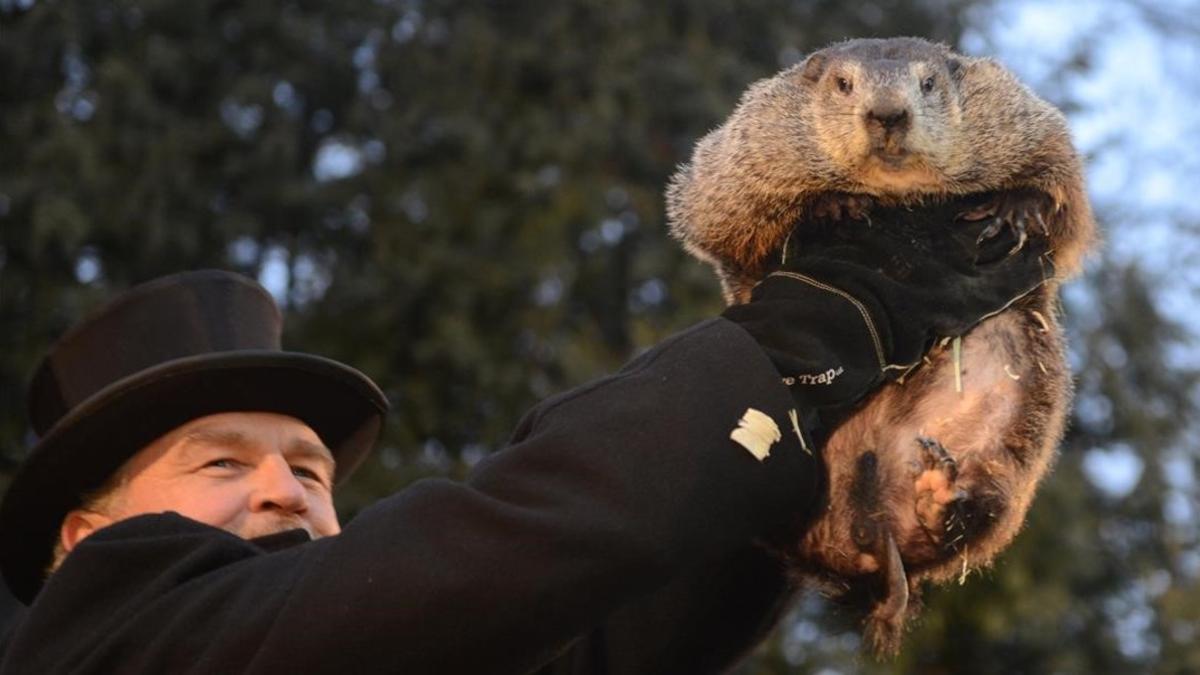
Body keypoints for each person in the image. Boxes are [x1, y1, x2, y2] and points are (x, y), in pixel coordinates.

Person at [0, 204, 1051, 674]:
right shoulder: (99, 640)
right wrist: (806, 336)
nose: (287, 488)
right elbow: (499, 547)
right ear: (89, 541)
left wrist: (823, 450)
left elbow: (598, 627)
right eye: (224, 461)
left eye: (311, 468)